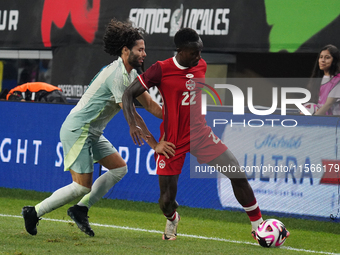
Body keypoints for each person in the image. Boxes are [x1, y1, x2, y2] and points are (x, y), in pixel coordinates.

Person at [22, 19, 173, 237]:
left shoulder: (131, 74)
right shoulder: (118, 75)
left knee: (119, 168)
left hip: (92, 132)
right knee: (82, 186)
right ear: (125, 50)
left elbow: (150, 104)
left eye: (144, 50)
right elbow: (132, 113)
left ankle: (80, 209)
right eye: (140, 49)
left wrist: (174, 116)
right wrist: (155, 145)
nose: (144, 54)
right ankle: (34, 212)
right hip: (78, 129)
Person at [122, 28, 264, 241]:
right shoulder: (161, 69)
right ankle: (172, 218)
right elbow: (128, 94)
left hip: (201, 135)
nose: (199, 57)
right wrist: (133, 124)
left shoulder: (201, 65)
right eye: (194, 53)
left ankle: (258, 226)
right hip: (173, 141)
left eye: (200, 52)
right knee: (166, 201)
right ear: (179, 50)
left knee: (237, 174)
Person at [307, 44, 340, 115]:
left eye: (327, 57)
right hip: (321, 119)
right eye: (321, 57)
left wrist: (310, 120)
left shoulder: (338, 80)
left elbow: (328, 105)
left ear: (335, 61)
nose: (323, 60)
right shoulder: (318, 78)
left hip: (334, 122)